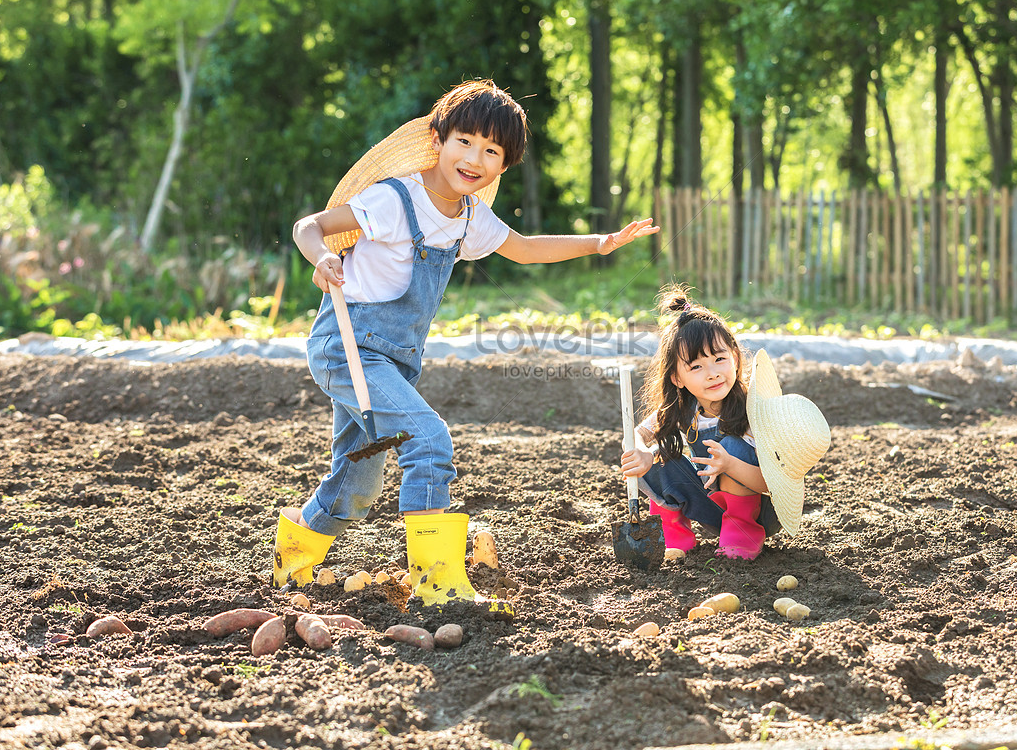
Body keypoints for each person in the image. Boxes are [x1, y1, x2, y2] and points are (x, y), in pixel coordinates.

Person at [279, 79, 658, 607]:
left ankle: (293, 555)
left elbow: (525, 249)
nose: (475, 157)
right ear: (438, 140)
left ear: (503, 165)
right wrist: (321, 256)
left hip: (394, 360)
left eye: (492, 150)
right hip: (344, 347)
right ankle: (437, 581)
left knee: (359, 476)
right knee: (428, 440)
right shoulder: (393, 200)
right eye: (465, 141)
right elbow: (309, 226)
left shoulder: (469, 220)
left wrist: (602, 242)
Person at [620, 285, 831, 560]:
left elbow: (771, 484)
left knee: (733, 446)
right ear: (677, 378)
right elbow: (637, 434)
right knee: (660, 457)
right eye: (696, 366)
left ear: (734, 358)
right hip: (712, 508)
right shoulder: (684, 408)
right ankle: (674, 538)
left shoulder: (752, 411)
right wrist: (641, 453)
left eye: (719, 359)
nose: (712, 374)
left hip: (759, 512)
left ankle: (742, 535)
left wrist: (731, 464)